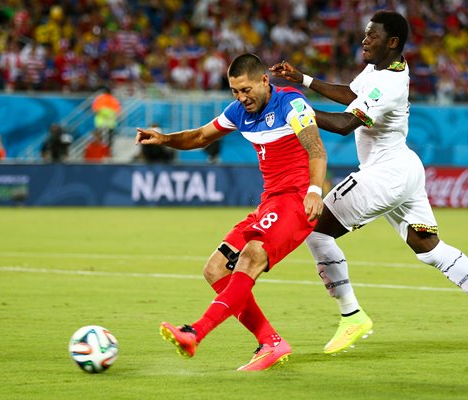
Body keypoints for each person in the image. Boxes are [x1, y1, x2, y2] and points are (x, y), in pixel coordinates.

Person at [270, 10, 468, 354]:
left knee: (314, 228)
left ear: (392, 42)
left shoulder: (388, 84)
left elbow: (347, 123)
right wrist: (304, 79)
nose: (364, 40)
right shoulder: (381, 68)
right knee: (428, 247)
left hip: (385, 174)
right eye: (365, 34)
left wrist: (297, 112)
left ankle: (352, 315)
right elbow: (352, 95)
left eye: (372, 36)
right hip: (405, 167)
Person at [135, 53, 327, 370]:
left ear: (265, 81)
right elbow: (199, 136)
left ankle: (195, 332)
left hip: (296, 200)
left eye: (246, 90)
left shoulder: (292, 104)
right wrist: (166, 138)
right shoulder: (239, 112)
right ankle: (270, 341)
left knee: (250, 256)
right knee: (215, 269)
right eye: (235, 91)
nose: (241, 98)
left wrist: (314, 191)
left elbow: (316, 148)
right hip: (270, 202)